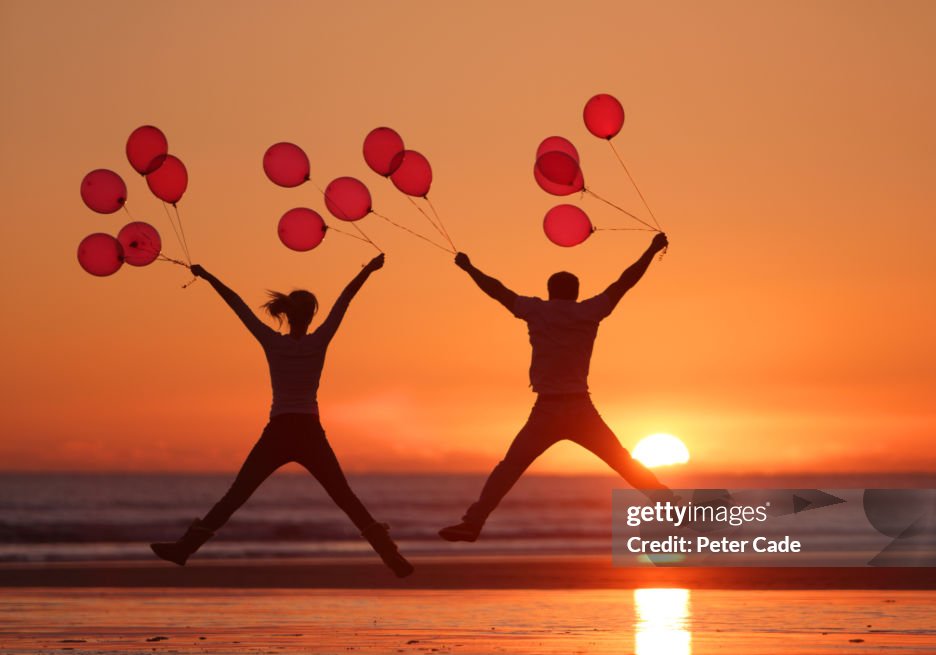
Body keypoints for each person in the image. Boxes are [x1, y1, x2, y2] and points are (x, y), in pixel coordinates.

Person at [150, 254, 413, 577]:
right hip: (309, 431)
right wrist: (368, 270)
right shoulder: (319, 340)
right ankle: (390, 555)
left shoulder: (272, 342)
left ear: (287, 314)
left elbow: (237, 305)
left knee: (237, 495)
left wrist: (208, 276)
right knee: (344, 496)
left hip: (279, 430)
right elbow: (346, 299)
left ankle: (185, 548)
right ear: (311, 315)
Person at [440, 232, 676, 542]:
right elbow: (624, 282)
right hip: (580, 408)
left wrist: (469, 268)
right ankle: (672, 506)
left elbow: (497, 291)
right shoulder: (588, 311)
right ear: (576, 293)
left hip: (548, 410)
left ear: (550, 293)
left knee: (509, 468)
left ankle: (473, 523)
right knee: (623, 462)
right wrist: (651, 249)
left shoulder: (538, 311)